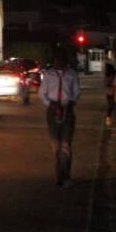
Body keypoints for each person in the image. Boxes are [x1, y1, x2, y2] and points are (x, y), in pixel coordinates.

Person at [39, 49, 80, 187]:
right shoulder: (48, 75)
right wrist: (52, 104)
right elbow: (42, 94)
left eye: (62, 59)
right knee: (55, 145)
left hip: (67, 111)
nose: (59, 62)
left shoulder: (72, 75)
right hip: (52, 111)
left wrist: (71, 102)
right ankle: (59, 175)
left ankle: (66, 176)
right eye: (57, 59)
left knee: (66, 145)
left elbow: (76, 92)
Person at [103, 62, 116, 127]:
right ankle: (108, 118)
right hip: (112, 92)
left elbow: (106, 83)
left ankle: (109, 118)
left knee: (111, 105)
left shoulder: (110, 75)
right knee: (111, 105)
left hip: (110, 92)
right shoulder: (111, 75)